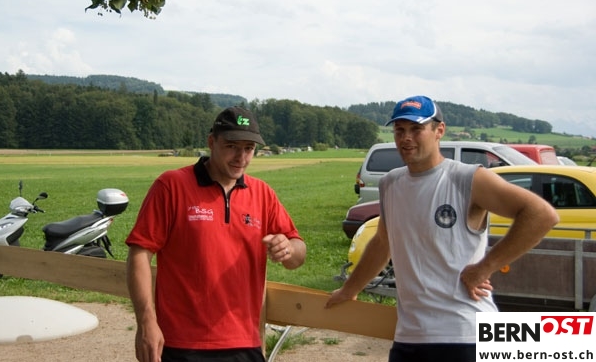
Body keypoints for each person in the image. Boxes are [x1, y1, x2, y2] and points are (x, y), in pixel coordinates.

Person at [325, 95, 558, 362]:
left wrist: (484, 268)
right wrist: (350, 289)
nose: (406, 138)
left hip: (464, 335)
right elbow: (382, 243)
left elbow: (541, 215)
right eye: (400, 130)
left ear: (439, 131)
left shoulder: (466, 178)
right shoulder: (390, 184)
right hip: (409, 337)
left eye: (416, 129)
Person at [126, 106, 306, 362]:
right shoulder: (171, 186)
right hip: (182, 344)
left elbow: (298, 254)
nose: (241, 157)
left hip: (245, 343)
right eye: (232, 146)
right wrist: (146, 321)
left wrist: (288, 248)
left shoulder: (262, 194)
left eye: (249, 149)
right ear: (212, 142)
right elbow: (139, 253)